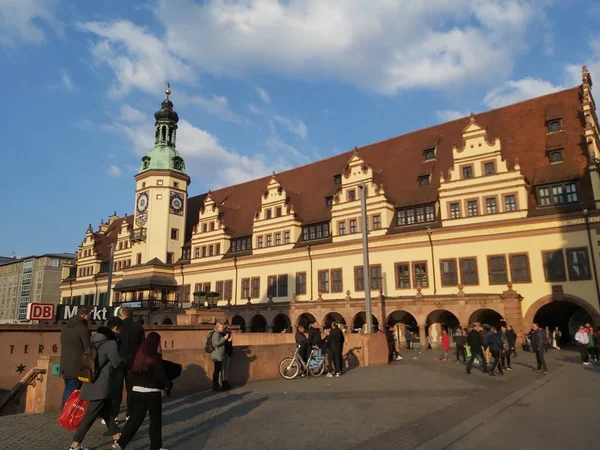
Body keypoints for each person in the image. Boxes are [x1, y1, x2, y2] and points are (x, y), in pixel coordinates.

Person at [68, 319, 123, 450]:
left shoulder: (94, 339)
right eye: (120, 329)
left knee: (106, 410)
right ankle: (75, 444)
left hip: (91, 379)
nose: (120, 332)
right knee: (90, 415)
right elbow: (116, 362)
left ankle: (117, 436)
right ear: (115, 328)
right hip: (101, 383)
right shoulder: (111, 343)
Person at [113, 332, 172, 450]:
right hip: (153, 392)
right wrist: (168, 385)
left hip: (137, 391)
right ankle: (155, 447)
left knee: (135, 420)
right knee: (155, 420)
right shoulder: (155, 357)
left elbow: (132, 370)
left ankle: (120, 444)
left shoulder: (139, 355)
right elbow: (161, 376)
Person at [113, 307, 145, 421]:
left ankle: (114, 414)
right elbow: (142, 346)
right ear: (132, 315)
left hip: (119, 361)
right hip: (133, 361)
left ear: (122, 315)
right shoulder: (138, 327)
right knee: (131, 389)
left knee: (117, 389)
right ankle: (129, 413)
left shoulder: (118, 327)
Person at [60, 307, 91, 409]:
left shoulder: (65, 327)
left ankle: (65, 412)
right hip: (78, 366)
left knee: (68, 388)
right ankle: (68, 413)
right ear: (84, 315)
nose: (89, 318)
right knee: (74, 390)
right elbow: (88, 349)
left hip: (65, 365)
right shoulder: (82, 328)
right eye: (89, 316)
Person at [211, 322, 230, 391]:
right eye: (221, 327)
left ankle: (216, 385)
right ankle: (215, 385)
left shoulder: (218, 333)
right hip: (217, 355)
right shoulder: (216, 334)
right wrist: (224, 338)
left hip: (219, 355)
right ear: (217, 327)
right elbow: (215, 344)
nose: (222, 328)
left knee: (217, 370)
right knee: (217, 370)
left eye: (222, 327)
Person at [221, 325, 233, 390]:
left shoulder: (230, 334)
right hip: (224, 353)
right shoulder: (223, 334)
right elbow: (222, 343)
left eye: (230, 328)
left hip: (228, 353)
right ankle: (223, 383)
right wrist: (227, 340)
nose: (229, 329)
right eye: (228, 328)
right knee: (223, 369)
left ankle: (226, 382)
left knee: (226, 369)